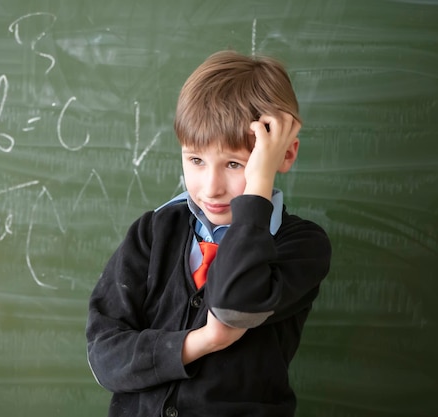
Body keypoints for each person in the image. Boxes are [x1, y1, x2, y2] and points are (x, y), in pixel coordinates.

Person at [86, 50, 332, 417]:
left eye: (235, 164)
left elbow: (234, 307)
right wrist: (202, 341)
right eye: (196, 160)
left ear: (284, 155)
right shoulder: (154, 232)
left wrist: (258, 186)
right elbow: (106, 357)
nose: (211, 186)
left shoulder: (302, 246)